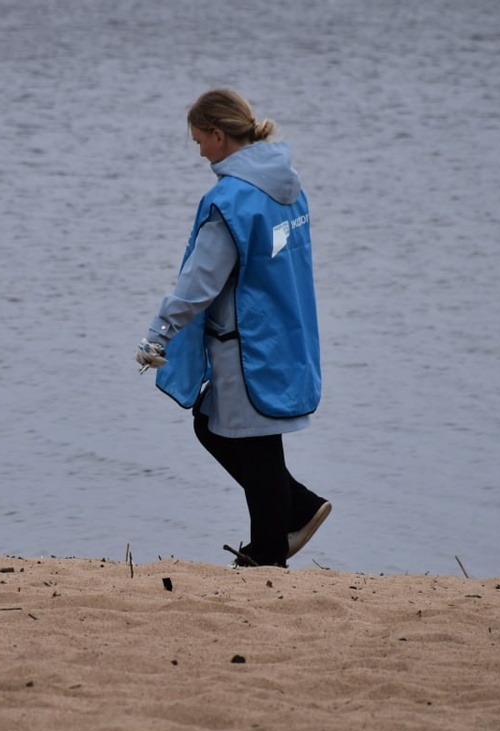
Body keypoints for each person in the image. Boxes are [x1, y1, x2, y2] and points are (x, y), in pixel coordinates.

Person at [135, 88, 330, 568]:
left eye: (200, 139)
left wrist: (159, 333)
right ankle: (293, 515)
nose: (199, 150)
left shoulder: (231, 200)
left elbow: (201, 282)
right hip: (285, 334)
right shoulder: (289, 185)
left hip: (244, 342)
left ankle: (268, 554)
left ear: (219, 135)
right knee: (229, 431)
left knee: (248, 443)